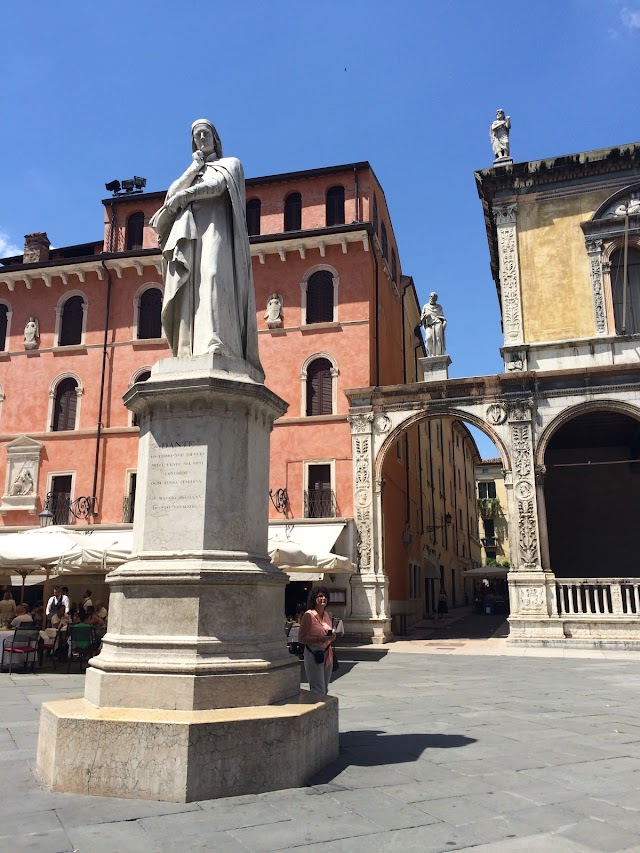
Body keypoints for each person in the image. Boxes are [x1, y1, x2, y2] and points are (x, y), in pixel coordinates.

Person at [150, 118, 262, 374]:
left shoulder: (230, 165)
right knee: (190, 287)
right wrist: (193, 168)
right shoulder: (192, 171)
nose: (202, 138)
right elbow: (170, 196)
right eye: (197, 136)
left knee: (212, 277)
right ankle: (188, 347)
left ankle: (217, 342)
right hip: (190, 239)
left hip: (216, 233)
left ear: (215, 137)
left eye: (205, 133)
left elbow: (217, 186)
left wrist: (187, 195)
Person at [297, 586, 334, 696]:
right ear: (314, 599)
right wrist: (319, 639)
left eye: (325, 596)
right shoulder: (309, 615)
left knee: (325, 688)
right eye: (320, 596)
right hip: (314, 652)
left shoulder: (327, 614)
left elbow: (328, 631)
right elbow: (301, 638)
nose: (323, 598)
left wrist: (333, 636)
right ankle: (316, 710)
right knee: (318, 689)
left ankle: (324, 711)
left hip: (328, 653)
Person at [421, 292, 447, 356]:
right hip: (429, 325)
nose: (432, 298)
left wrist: (444, 324)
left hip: (438, 323)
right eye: (431, 296)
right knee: (428, 338)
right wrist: (425, 316)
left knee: (438, 338)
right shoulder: (426, 306)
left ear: (436, 299)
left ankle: (438, 354)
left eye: (434, 297)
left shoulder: (439, 307)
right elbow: (421, 318)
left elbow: (442, 318)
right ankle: (430, 354)